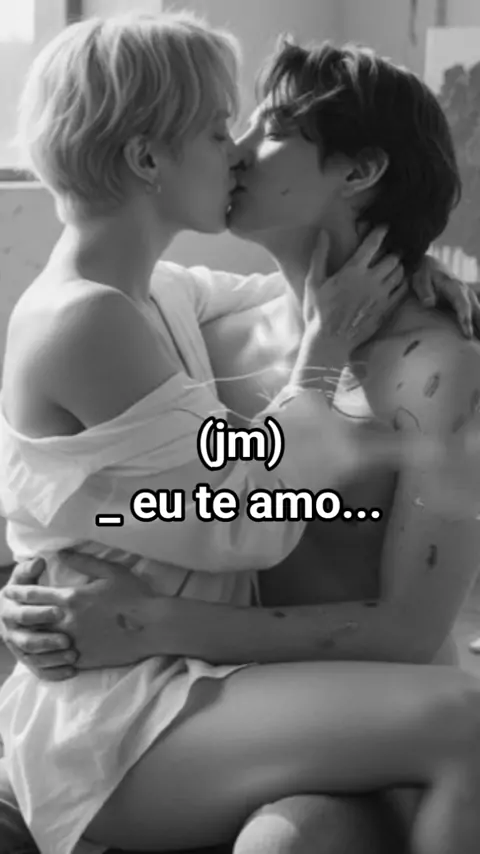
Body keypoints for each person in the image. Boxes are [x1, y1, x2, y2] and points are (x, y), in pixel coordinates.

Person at [1, 12, 480, 854]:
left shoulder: (174, 299)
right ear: (147, 160)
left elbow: (409, 623)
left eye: (265, 127)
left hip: (289, 690)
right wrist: (322, 357)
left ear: (360, 170)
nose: (239, 150)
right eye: (223, 128)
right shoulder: (116, 321)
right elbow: (245, 517)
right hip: (156, 697)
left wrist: (418, 266)